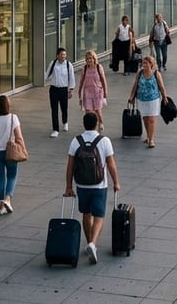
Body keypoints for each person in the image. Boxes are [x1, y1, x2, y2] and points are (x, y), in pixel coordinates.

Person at [64, 112, 121, 265]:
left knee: (86, 213)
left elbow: (70, 166)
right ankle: (93, 244)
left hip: (82, 184)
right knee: (99, 216)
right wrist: (116, 182)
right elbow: (111, 164)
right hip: (99, 185)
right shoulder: (104, 141)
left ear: (84, 124)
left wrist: (69, 186)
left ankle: (89, 242)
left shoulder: (76, 141)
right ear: (96, 124)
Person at [0, 95, 25, 216]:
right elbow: (18, 136)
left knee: (0, 179)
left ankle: (1, 206)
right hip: (10, 151)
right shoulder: (14, 118)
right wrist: (23, 148)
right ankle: (8, 199)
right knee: (12, 176)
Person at [128, 56, 168, 148]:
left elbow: (161, 86)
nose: (144, 64)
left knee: (151, 119)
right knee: (145, 119)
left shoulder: (156, 74)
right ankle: (148, 135)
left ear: (151, 64)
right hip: (141, 99)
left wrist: (164, 97)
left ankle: (151, 139)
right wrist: (132, 97)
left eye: (146, 63)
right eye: (143, 63)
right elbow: (135, 85)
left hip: (153, 99)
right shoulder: (140, 72)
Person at [46, 48, 75, 137]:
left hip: (63, 89)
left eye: (64, 55)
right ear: (57, 55)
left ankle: (65, 122)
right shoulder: (53, 63)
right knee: (54, 110)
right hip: (54, 89)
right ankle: (55, 129)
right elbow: (47, 74)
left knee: (64, 108)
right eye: (62, 54)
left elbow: (71, 77)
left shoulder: (68, 64)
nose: (63, 56)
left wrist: (71, 90)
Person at [78, 51, 108, 131]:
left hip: (97, 92)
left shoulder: (99, 67)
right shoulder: (84, 68)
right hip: (87, 92)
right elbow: (81, 81)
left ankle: (100, 123)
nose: (89, 60)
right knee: (88, 112)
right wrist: (79, 92)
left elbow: (103, 80)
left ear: (94, 59)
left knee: (97, 110)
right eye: (87, 59)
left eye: (90, 58)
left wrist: (105, 94)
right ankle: (90, 129)